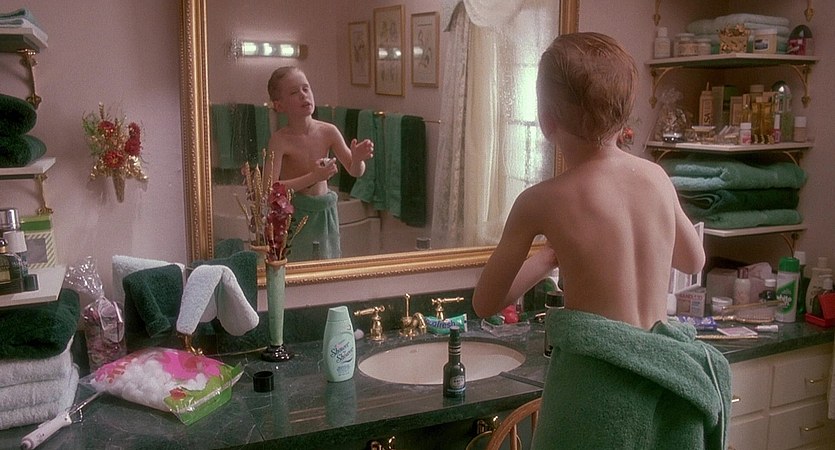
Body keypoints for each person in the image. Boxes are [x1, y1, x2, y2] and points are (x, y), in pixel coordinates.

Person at [472, 33, 731, 449]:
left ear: (546, 119)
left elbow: (486, 302)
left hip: (594, 389)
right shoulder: (655, 177)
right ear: (623, 114)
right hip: (663, 379)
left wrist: (546, 259)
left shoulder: (541, 200)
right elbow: (693, 259)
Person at [264, 66, 374, 261]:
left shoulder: (328, 131)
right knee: (299, 264)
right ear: (279, 106)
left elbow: (355, 171)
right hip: (295, 215)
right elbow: (269, 189)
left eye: (306, 88)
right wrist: (313, 177)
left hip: (325, 212)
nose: (303, 95)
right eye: (294, 92)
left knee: (328, 262)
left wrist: (357, 159)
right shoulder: (280, 141)